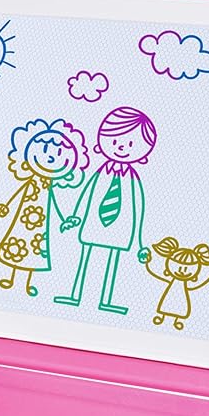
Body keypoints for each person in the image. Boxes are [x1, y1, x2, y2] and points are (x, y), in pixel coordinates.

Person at [54, 106, 156, 315]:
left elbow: (137, 208)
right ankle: (75, 294)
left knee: (112, 262)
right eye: (115, 141)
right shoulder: (100, 173)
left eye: (130, 144)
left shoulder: (133, 180)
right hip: (93, 221)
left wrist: (139, 241)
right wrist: (76, 216)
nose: (122, 147)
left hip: (120, 226)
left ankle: (106, 299)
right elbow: (87, 195)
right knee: (85, 257)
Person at [0, 118, 89, 297]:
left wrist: (63, 219)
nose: (50, 158)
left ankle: (26, 284)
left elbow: (53, 203)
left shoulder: (49, 185)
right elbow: (18, 193)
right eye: (45, 151)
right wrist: (6, 206)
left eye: (59, 154)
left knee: (33, 250)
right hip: (23, 221)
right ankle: (11, 279)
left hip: (39, 225)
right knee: (17, 245)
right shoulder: (31, 181)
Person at [145, 237, 209, 330]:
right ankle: (162, 317)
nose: (182, 270)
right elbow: (156, 274)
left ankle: (176, 320)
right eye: (178, 265)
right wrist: (147, 262)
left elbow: (197, 285)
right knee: (166, 304)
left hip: (182, 296)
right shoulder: (173, 281)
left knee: (179, 306)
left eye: (188, 268)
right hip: (171, 293)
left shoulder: (184, 284)